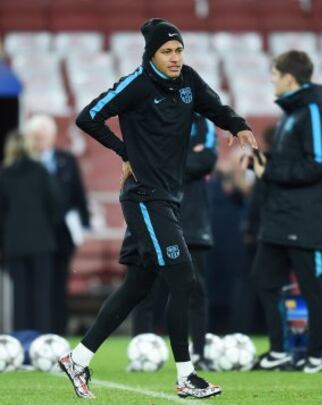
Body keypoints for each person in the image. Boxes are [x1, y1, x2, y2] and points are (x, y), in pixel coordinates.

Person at [59, 18, 256, 400]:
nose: (175, 57)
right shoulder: (136, 84)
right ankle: (186, 376)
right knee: (183, 278)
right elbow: (88, 117)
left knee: (137, 286)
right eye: (167, 51)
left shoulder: (188, 82)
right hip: (144, 197)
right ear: (151, 54)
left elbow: (215, 107)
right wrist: (125, 152)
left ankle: (77, 359)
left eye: (179, 50)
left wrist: (239, 125)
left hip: (168, 198)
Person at [247, 50, 322, 373]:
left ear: (289, 77)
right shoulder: (292, 114)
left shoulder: (314, 111)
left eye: (275, 75)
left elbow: (318, 163)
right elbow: (296, 160)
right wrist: (264, 163)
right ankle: (278, 351)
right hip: (281, 215)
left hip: (307, 218)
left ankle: (316, 355)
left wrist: (270, 172)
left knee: (311, 285)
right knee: (264, 278)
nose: (272, 81)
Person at [127, 114, 217, 370]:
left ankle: (198, 354)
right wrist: (187, 157)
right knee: (144, 287)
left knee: (196, 291)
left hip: (192, 221)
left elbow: (206, 161)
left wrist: (166, 160)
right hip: (156, 216)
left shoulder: (203, 124)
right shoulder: (153, 118)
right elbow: (143, 159)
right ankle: (141, 354)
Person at [25, 115, 90, 335]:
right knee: (35, 284)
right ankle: (33, 330)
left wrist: (84, 224)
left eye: (43, 136)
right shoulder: (25, 163)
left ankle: (57, 331)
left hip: (62, 233)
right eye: (35, 136)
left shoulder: (66, 159)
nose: (39, 140)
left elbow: (78, 193)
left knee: (58, 283)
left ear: (52, 136)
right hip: (33, 234)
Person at [0, 130, 57, 332]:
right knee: (41, 293)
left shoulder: (4, 174)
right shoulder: (41, 171)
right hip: (42, 241)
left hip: (14, 243)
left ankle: (21, 339)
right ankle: (41, 338)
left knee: (20, 295)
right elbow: (54, 205)